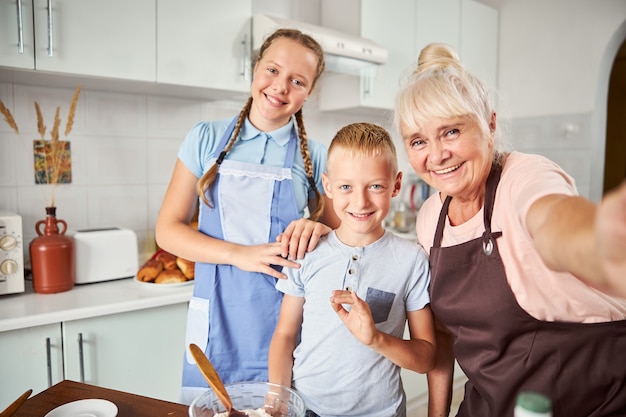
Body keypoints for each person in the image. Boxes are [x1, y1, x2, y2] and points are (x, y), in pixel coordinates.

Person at [393, 42, 626, 417]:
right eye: (419, 141)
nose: (436, 156)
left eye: (451, 131)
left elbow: (552, 217)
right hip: (493, 402)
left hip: (592, 398)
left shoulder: (523, 176)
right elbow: (442, 336)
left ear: (490, 124)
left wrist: (596, 239)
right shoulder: (431, 218)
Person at [155, 28, 339, 404]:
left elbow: (343, 240)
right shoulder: (205, 137)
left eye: (297, 81)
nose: (280, 87)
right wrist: (241, 254)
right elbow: (167, 231)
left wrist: (317, 227)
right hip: (218, 315)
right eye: (272, 70)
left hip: (285, 320)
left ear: (309, 93)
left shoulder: (318, 156)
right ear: (255, 69)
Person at [268, 122, 436, 417]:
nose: (360, 201)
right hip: (307, 409)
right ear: (328, 186)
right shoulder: (307, 253)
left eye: (375, 186)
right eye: (346, 186)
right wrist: (278, 402)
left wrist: (376, 338)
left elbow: (426, 359)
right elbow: (284, 335)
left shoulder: (412, 261)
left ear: (396, 185)